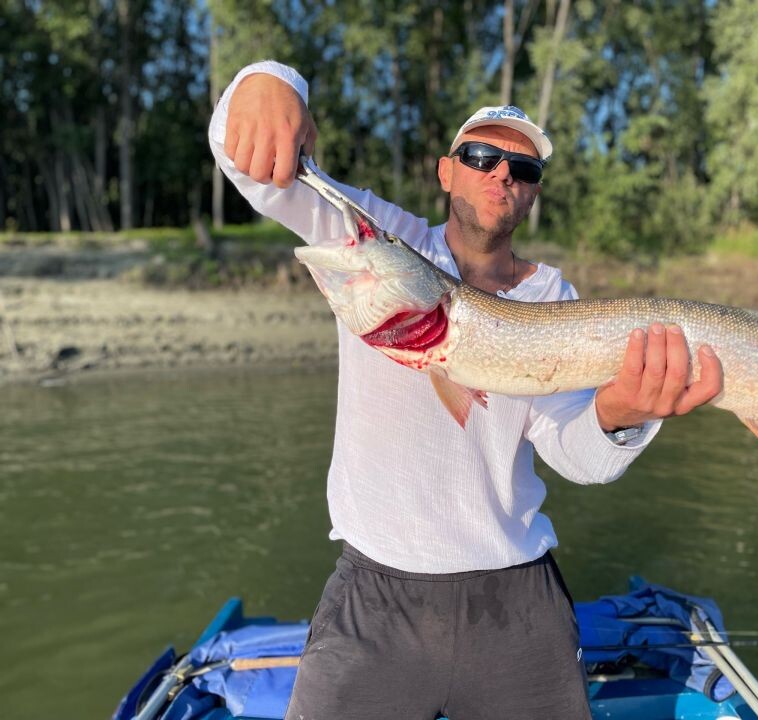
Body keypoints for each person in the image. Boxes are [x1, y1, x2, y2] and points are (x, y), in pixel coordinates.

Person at [209, 61, 723, 720]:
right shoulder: (386, 236)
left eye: (525, 167)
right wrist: (270, 79)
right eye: (481, 156)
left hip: (517, 606)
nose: (503, 172)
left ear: (533, 192)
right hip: (374, 598)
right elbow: (254, 167)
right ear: (446, 171)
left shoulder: (552, 297)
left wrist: (622, 414)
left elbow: (576, 455)